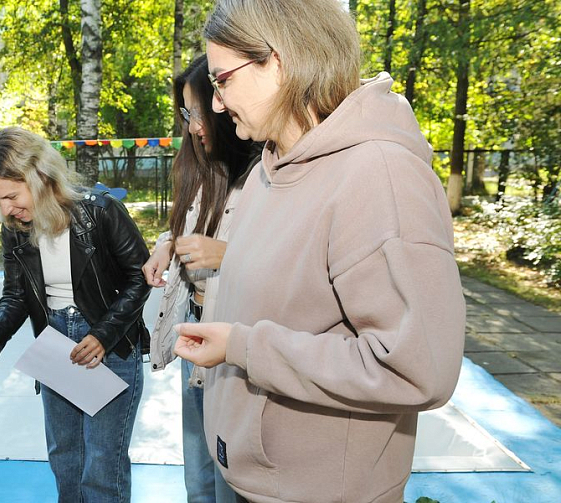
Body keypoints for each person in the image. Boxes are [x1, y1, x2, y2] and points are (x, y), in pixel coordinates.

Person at [173, 1, 466, 502]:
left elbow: (416, 367)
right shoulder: (271, 167)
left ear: (279, 62)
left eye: (222, 82)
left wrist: (244, 347)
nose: (217, 104)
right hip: (250, 477)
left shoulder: (379, 177)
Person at [0, 126, 151, 503]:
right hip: (54, 342)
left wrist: (103, 334)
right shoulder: (15, 227)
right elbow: (16, 293)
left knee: (102, 467)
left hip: (108, 345)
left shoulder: (100, 211)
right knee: (64, 459)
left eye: (11, 196)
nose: (6, 210)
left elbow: (140, 276)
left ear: (39, 177)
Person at [142, 53, 257, 503]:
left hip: (235, 344)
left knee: (231, 481)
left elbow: (291, 263)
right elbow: (194, 224)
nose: (192, 126)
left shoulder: (269, 173)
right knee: (199, 478)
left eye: (198, 112)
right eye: (186, 114)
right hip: (195, 333)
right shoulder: (202, 167)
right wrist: (167, 244)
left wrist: (227, 256)